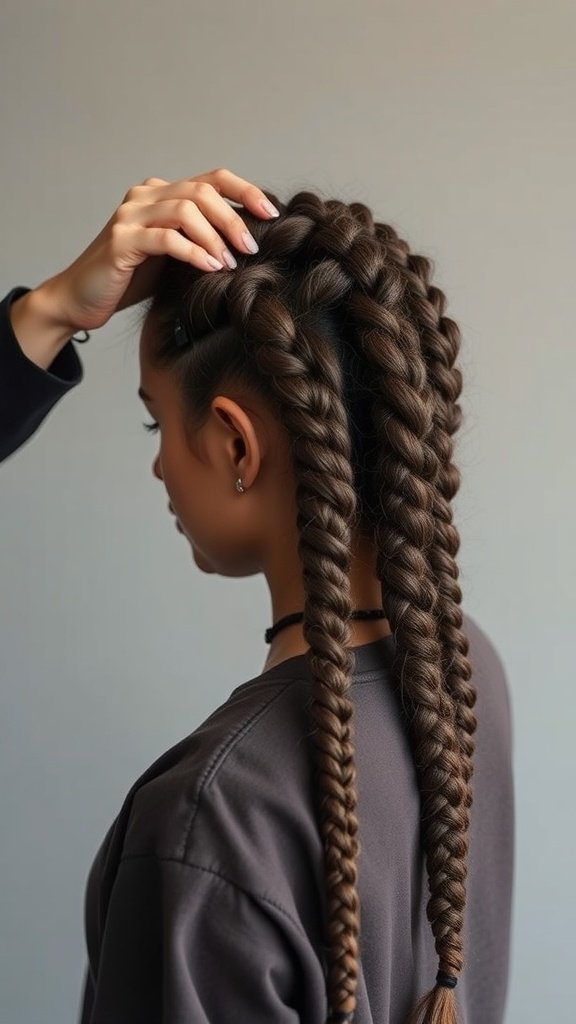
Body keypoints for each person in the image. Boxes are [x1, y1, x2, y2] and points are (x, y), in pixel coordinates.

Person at [0, 170, 514, 1024]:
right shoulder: (463, 669)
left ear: (237, 444)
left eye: (154, 420)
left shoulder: (207, 821)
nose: (159, 464)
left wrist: (49, 311)